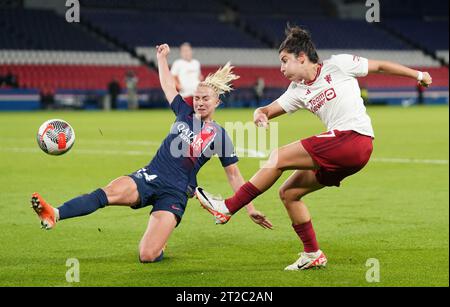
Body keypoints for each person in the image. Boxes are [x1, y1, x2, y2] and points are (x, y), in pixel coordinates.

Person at [195, 25, 433, 270]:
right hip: (344, 153)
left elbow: (380, 66)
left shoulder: (338, 65)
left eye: (285, 61)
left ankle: (227, 207)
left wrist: (418, 75)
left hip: (354, 138)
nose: (281, 68)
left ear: (301, 57)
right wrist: (260, 114)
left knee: (278, 156)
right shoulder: (297, 90)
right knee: (289, 194)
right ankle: (313, 254)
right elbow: (269, 109)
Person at [30, 43, 272, 263]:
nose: (199, 102)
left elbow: (233, 175)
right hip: (148, 176)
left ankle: (160, 242)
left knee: (147, 255)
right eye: (196, 98)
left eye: (205, 99)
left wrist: (249, 208)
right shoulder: (183, 112)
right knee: (105, 193)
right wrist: (161, 58)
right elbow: (168, 85)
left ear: (217, 102)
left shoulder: (220, 135)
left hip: (175, 193)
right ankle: (55, 213)